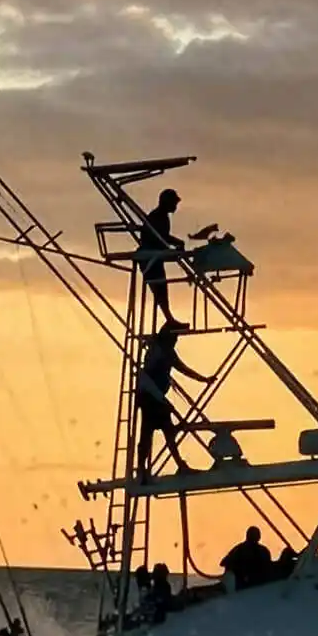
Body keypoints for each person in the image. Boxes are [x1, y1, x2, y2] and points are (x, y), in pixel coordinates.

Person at [135, 319, 208, 481]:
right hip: (151, 398)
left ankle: (170, 466)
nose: (176, 340)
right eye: (175, 337)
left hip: (156, 397)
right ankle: (142, 469)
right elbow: (148, 376)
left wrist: (203, 379)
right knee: (149, 433)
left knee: (162, 431)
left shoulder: (165, 351)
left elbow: (182, 368)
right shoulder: (159, 351)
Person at [138, 188, 187, 329]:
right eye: (174, 203)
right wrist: (177, 244)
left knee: (162, 290)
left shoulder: (161, 216)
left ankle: (169, 318)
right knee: (159, 289)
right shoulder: (158, 216)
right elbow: (160, 238)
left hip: (154, 257)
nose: (176, 206)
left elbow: (162, 239)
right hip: (149, 258)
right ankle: (169, 319)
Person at [221, 525, 272, 591]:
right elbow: (224, 562)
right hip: (246, 586)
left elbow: (224, 562)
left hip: (248, 585)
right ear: (259, 537)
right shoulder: (263, 551)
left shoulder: (239, 548)